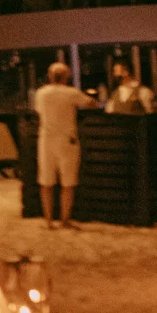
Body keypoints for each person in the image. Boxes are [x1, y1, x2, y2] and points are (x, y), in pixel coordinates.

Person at [32, 61, 96, 228]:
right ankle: (65, 220)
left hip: (46, 140)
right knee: (68, 183)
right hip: (67, 141)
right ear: (67, 76)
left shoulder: (41, 93)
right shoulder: (71, 93)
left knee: (46, 182)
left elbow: (38, 110)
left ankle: (48, 221)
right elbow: (90, 103)